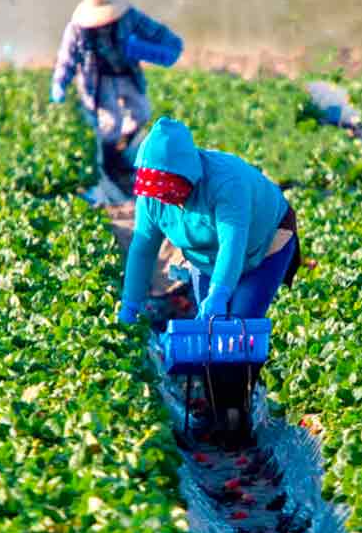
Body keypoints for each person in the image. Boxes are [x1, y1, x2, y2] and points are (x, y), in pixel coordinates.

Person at [118, 118, 299, 443]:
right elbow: (143, 248)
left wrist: (219, 294)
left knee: (236, 325)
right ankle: (216, 411)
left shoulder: (225, 182)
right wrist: (130, 304)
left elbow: (234, 242)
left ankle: (236, 417)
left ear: (187, 174)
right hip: (205, 258)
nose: (165, 197)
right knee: (210, 337)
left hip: (264, 246)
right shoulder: (153, 199)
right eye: (158, 190)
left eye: (171, 188)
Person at [51, 0, 183, 202]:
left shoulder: (128, 17)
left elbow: (155, 32)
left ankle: (123, 150)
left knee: (141, 112)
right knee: (110, 123)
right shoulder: (77, 28)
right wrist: (59, 85)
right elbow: (67, 58)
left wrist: (168, 44)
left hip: (126, 73)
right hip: (98, 80)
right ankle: (111, 162)